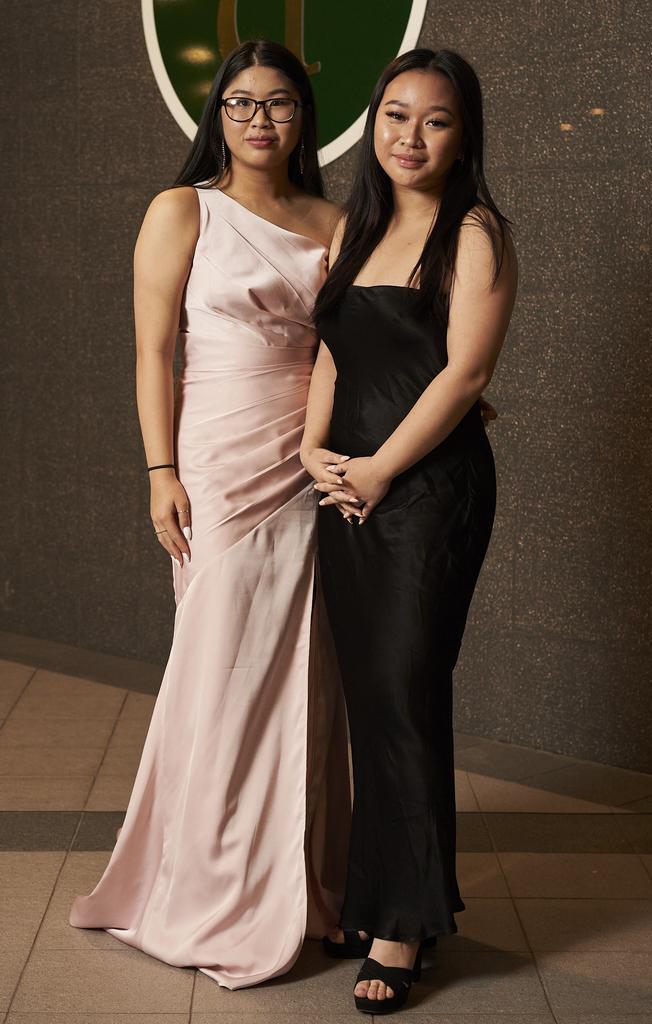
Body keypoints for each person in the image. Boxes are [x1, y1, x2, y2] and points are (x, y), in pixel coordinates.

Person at [69, 40, 357, 990]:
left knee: (305, 665)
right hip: (218, 451)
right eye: (240, 105)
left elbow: (350, 349)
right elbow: (154, 352)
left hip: (305, 448)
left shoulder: (337, 221)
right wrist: (160, 470)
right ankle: (202, 881)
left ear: (303, 118)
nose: (260, 122)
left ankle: (306, 883)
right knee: (222, 655)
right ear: (217, 115)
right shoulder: (180, 209)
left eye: (278, 105)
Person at [300, 48, 518, 1013]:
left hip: (427, 494)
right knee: (372, 701)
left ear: (463, 132)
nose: (410, 136)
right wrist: (315, 451)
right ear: (374, 123)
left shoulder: (475, 232)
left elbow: (466, 375)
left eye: (434, 120)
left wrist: (383, 470)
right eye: (395, 115)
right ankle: (396, 900)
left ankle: (401, 928)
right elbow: (334, 351)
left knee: (404, 691)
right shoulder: (361, 227)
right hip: (346, 488)